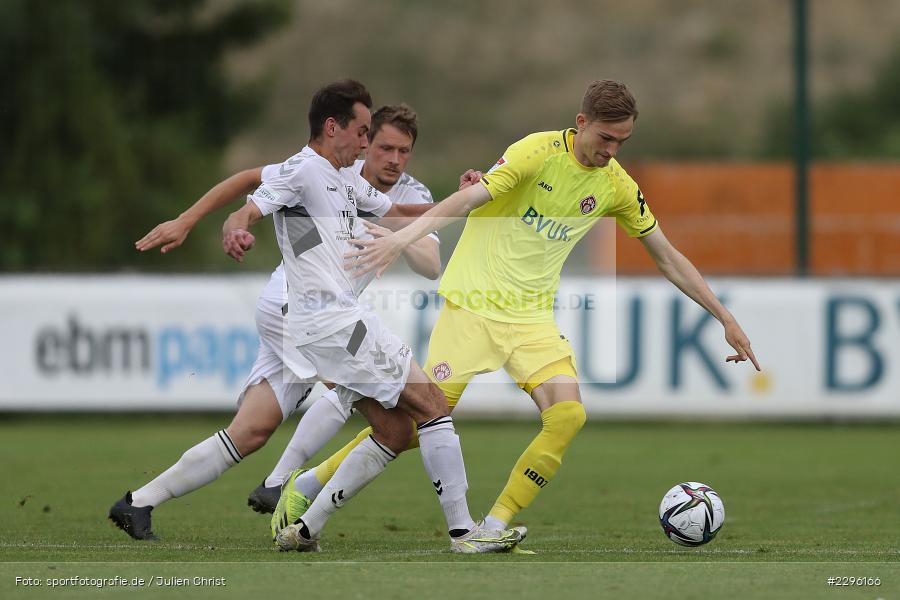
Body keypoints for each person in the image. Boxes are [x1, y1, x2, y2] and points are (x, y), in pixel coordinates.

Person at [290, 79, 761, 538]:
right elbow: (467, 198)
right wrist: (401, 239)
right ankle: (308, 485)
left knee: (568, 416)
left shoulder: (617, 185)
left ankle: (495, 525)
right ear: (581, 122)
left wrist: (725, 318)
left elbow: (667, 256)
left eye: (622, 141)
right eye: (605, 137)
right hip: (472, 307)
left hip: (531, 320)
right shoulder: (536, 152)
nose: (612, 150)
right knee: (416, 424)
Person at [107, 104, 443, 540]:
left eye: (404, 151)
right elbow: (250, 180)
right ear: (364, 141)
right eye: (382, 146)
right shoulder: (329, 169)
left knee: (250, 431)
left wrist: (407, 231)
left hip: (312, 314)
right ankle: (283, 483)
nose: (393, 159)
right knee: (383, 413)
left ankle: (137, 503)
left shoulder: (410, 194)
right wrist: (189, 220)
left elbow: (431, 264)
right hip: (300, 308)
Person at [220, 78, 523, 553]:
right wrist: (234, 229)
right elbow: (247, 208)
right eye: (363, 133)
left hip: (334, 322)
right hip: (335, 323)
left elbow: (400, 211)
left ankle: (304, 530)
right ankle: (465, 533)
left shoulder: (344, 178)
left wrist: (472, 199)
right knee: (432, 405)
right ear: (333, 127)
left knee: (396, 430)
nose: (366, 144)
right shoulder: (303, 170)